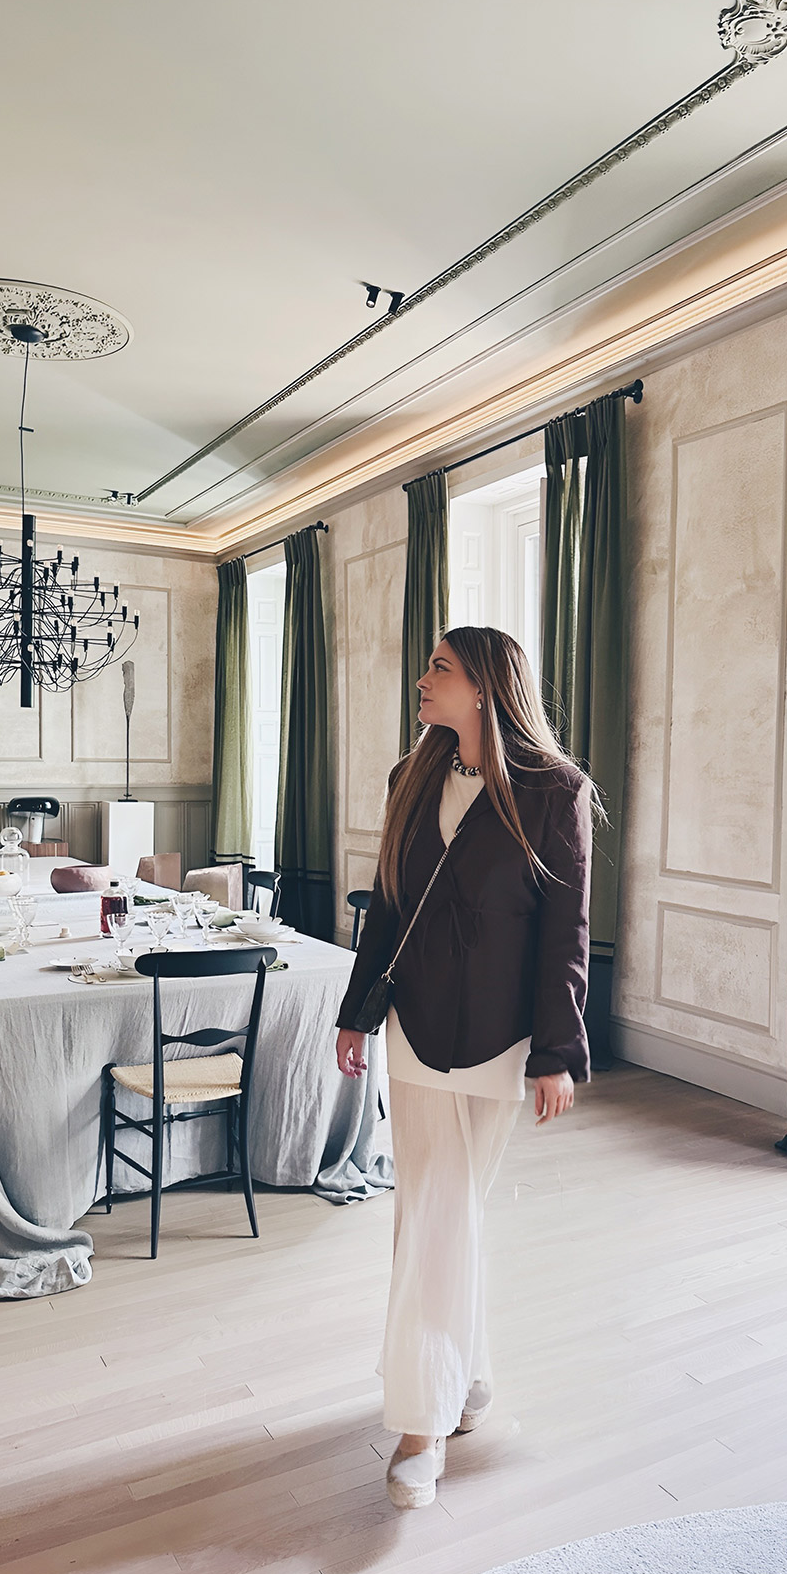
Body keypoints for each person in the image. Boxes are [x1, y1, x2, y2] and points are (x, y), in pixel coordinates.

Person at [335, 626, 595, 1510]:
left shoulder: (556, 793)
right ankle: (431, 1416)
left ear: (484, 686)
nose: (422, 679)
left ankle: (450, 1388)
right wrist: (356, 1013)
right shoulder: (410, 778)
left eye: (438, 668)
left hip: (497, 1039)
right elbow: (387, 906)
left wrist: (557, 1053)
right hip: (411, 1027)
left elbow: (565, 935)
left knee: (448, 1213)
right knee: (432, 1215)